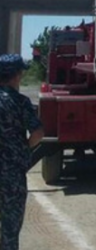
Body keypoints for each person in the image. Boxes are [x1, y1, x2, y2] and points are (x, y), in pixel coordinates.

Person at [0, 54, 44, 250]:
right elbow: (37, 133)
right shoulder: (20, 102)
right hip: (11, 173)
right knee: (10, 228)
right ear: (16, 75)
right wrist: (23, 149)